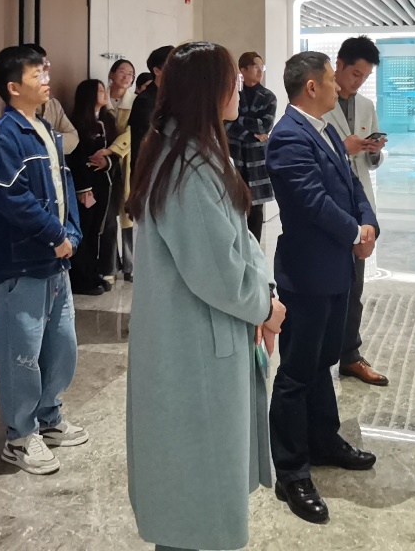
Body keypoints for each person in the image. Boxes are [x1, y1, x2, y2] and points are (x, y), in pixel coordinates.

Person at [125, 42, 286, 551]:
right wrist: (265, 307)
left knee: (198, 476)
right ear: (208, 90)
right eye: (231, 79)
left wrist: (263, 292)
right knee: (195, 484)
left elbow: (237, 244)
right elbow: (218, 273)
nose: (239, 86)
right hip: (193, 343)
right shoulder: (188, 166)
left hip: (200, 333)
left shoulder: (191, 150)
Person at [266, 52, 378, 526]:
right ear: (311, 86)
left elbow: (351, 186)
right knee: (297, 371)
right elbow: (310, 201)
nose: (339, 86)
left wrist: (368, 223)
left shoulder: (326, 130)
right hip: (308, 273)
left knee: (323, 362)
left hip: (336, 268)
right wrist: (354, 232)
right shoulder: (288, 136)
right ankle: (292, 471)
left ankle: (324, 440)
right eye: (332, 79)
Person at [0, 45, 88, 476]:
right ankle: (20, 435)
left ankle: (48, 416)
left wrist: (71, 232)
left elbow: (65, 185)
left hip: (55, 261)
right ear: (13, 87)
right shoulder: (4, 136)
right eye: (36, 75)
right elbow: (13, 200)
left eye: (45, 72)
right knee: (21, 353)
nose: (46, 79)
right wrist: (55, 235)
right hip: (20, 263)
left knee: (61, 345)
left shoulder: (44, 128)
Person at [323, 37, 390, 387]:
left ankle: (350, 355)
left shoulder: (365, 105)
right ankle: (322, 354)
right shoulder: (318, 99)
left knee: (354, 286)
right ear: (339, 64)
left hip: (359, 204)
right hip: (327, 205)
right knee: (325, 286)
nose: (358, 81)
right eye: (355, 74)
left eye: (364, 76)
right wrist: (342, 147)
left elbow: (370, 163)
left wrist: (374, 150)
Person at [66, 78, 116, 297]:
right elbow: (75, 157)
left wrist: (108, 163)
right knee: (84, 230)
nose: (104, 93)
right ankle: (80, 278)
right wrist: (83, 187)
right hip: (85, 185)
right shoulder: (77, 122)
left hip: (104, 182)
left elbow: (115, 150)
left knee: (97, 230)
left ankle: (93, 273)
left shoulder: (108, 120)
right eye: (99, 90)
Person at [225, 51, 276, 243]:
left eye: (262, 67)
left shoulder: (268, 97)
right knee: (234, 205)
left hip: (257, 158)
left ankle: (255, 250)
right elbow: (226, 124)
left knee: (256, 209)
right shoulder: (232, 95)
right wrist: (251, 134)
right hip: (235, 156)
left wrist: (239, 121)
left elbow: (265, 126)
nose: (260, 71)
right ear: (243, 70)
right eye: (255, 67)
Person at [104, 59, 136, 283]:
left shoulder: (134, 102)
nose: (126, 77)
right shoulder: (101, 98)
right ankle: (110, 264)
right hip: (103, 160)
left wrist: (113, 150)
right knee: (107, 214)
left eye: (130, 74)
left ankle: (130, 265)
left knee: (127, 213)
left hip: (125, 158)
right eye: (122, 72)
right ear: (112, 74)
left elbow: (133, 132)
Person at [23, 43, 78, 155]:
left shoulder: (53, 104)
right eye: (40, 68)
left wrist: (48, 140)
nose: (46, 73)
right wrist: (55, 139)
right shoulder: (18, 104)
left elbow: (73, 138)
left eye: (46, 66)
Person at [128, 45, 173, 175]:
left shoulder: (173, 97)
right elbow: (146, 142)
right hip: (150, 172)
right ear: (157, 71)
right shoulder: (145, 101)